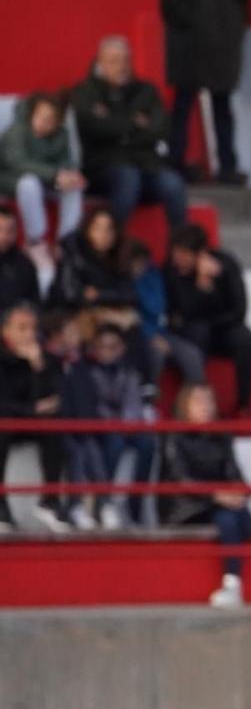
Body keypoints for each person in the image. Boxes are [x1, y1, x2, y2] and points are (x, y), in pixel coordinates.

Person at [72, 36, 188, 229]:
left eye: (126, 60)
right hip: (103, 168)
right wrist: (135, 122)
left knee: (174, 184)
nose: (122, 66)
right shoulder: (85, 92)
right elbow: (93, 127)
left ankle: (181, 251)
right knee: (128, 177)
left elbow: (160, 129)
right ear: (100, 63)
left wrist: (114, 124)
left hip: (146, 165)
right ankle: (112, 245)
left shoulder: (146, 91)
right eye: (114, 61)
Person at [159, 383, 251, 604]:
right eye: (198, 401)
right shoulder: (175, 436)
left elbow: (234, 474)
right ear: (184, 406)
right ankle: (231, 583)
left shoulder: (221, 436)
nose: (206, 406)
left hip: (221, 504)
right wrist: (216, 495)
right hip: (185, 506)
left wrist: (238, 493)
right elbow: (180, 480)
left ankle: (240, 583)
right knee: (228, 519)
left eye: (209, 400)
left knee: (248, 519)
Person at [61, 326, 152, 530]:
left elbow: (133, 402)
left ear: (121, 348)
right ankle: (104, 501)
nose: (106, 351)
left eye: (111, 347)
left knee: (148, 443)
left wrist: (127, 424)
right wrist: (114, 424)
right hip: (102, 426)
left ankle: (135, 503)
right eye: (101, 347)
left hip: (125, 424)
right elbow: (93, 406)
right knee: (114, 441)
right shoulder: (87, 372)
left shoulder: (129, 371)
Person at [166, 224, 251, 411]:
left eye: (183, 254)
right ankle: (193, 403)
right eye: (176, 253)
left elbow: (239, 310)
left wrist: (210, 289)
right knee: (199, 330)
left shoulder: (226, 265)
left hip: (223, 329)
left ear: (200, 254)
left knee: (245, 338)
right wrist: (201, 284)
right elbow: (184, 313)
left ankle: (243, 405)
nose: (178, 259)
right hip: (189, 332)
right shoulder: (172, 271)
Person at [0, 302, 70, 532]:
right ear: (5, 330)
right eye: (21, 328)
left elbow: (52, 399)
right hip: (9, 420)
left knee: (55, 428)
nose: (29, 334)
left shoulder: (43, 357)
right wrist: (31, 410)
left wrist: (37, 368)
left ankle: (49, 502)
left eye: (32, 328)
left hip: (27, 419)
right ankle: (2, 509)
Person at [4, 94, 88, 264]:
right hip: (11, 181)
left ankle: (66, 241)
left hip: (48, 181)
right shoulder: (17, 131)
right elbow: (18, 163)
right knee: (29, 183)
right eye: (41, 116)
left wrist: (71, 175)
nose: (44, 123)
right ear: (32, 114)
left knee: (73, 186)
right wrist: (56, 174)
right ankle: (35, 240)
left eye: (51, 120)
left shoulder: (61, 135)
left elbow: (66, 161)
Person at [50, 206, 136, 314]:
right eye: (97, 228)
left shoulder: (120, 256)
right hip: (74, 314)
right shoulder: (74, 252)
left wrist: (100, 295)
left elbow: (129, 293)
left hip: (109, 312)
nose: (104, 235)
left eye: (109, 229)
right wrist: (85, 295)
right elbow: (68, 293)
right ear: (88, 229)